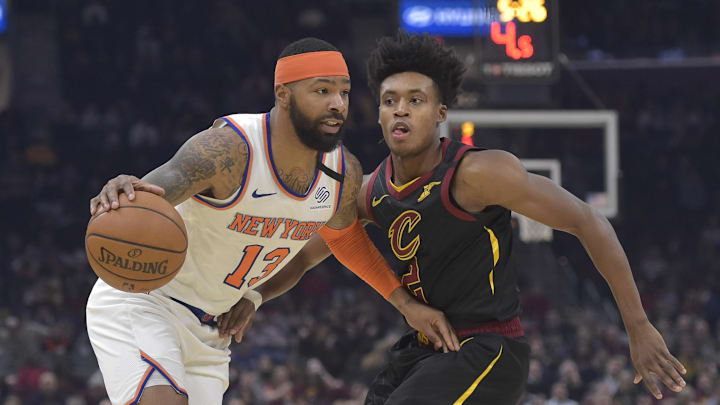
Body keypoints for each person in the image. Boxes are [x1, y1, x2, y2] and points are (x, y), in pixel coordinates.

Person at [241, 32, 688, 404]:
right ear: (377, 114)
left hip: (488, 347)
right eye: (390, 100)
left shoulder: (478, 173)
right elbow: (305, 257)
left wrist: (638, 326)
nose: (400, 109)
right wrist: (253, 298)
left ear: (440, 114)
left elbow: (589, 221)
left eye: (415, 100)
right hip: (424, 351)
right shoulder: (368, 192)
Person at [86, 38, 459, 405]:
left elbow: (343, 242)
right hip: (148, 301)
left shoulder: (342, 173)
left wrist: (257, 294)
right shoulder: (228, 149)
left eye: (344, 92)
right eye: (322, 91)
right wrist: (127, 191)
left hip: (211, 330)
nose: (337, 104)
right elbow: (153, 193)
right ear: (283, 94)